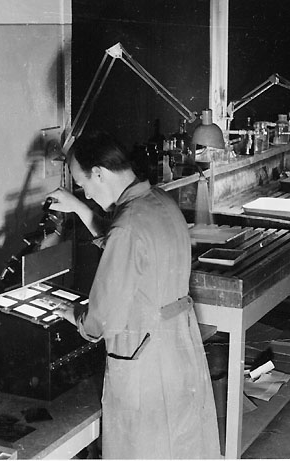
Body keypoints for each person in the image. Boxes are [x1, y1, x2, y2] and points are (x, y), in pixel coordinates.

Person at [46, 131, 220, 459]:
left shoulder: (126, 227)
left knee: (141, 449)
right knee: (179, 446)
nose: (86, 193)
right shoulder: (160, 202)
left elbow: (99, 323)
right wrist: (80, 209)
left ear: (99, 173)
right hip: (179, 347)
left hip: (144, 361)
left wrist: (69, 312)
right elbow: (127, 244)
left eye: (83, 185)